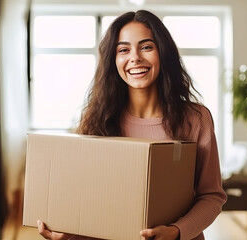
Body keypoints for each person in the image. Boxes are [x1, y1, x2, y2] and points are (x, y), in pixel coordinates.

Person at [37, 9, 227, 240]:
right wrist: (69, 235)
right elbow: (90, 204)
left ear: (162, 53)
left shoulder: (196, 119)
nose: (135, 57)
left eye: (146, 47)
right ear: (113, 60)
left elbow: (212, 196)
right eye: (124, 50)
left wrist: (176, 232)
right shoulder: (97, 120)